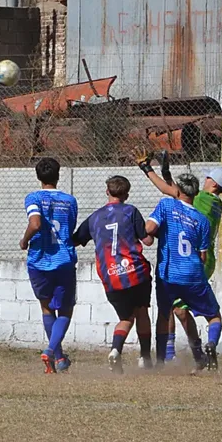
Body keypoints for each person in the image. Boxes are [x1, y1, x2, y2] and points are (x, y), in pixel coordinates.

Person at [138, 151, 222, 363]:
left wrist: (148, 169)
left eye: (208, 178)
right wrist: (167, 174)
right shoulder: (213, 203)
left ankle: (171, 354)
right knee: (179, 309)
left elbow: (171, 193)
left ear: (214, 184)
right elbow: (180, 196)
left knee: (171, 307)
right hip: (200, 258)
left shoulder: (203, 200)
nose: (205, 180)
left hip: (191, 262)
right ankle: (199, 352)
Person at [72, 175, 154, 373]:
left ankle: (116, 350)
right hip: (136, 272)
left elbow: (75, 240)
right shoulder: (130, 211)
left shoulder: (95, 217)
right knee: (142, 311)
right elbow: (148, 241)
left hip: (111, 277)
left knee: (126, 317)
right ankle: (144, 358)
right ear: (127, 194)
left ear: (107, 192)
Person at [20, 157, 78, 374]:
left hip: (39, 261)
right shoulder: (70, 201)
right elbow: (68, 228)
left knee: (46, 308)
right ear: (58, 174)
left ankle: (58, 357)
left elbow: (35, 223)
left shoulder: (33, 197)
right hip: (63, 260)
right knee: (65, 309)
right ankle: (53, 351)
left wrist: (24, 241)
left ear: (38, 176)